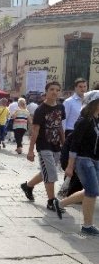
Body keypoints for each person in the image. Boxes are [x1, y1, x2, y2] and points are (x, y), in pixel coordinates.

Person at [21, 81, 65, 219]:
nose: (55, 92)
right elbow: (35, 130)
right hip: (43, 145)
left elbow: (59, 127)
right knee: (51, 172)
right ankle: (51, 201)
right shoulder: (41, 109)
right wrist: (30, 150)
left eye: (57, 90)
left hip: (56, 144)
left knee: (46, 171)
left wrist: (64, 144)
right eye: (52, 89)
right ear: (46, 91)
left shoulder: (61, 107)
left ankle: (28, 186)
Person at [57, 90, 99, 235]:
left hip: (95, 160)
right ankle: (87, 225)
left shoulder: (96, 120)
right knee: (92, 191)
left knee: (91, 190)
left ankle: (61, 203)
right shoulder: (84, 121)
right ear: (94, 103)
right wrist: (70, 165)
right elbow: (74, 145)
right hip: (83, 160)